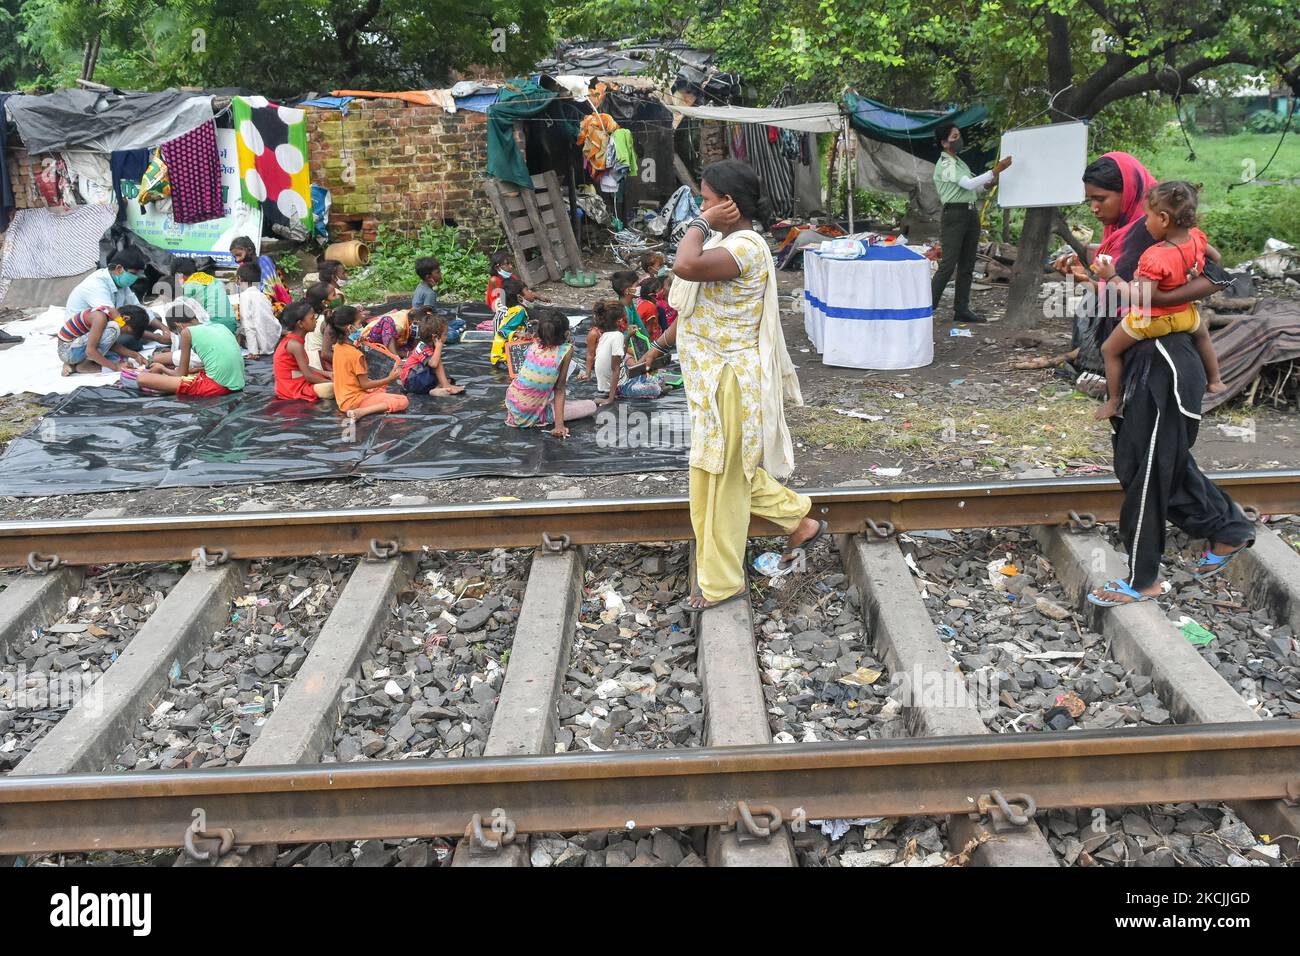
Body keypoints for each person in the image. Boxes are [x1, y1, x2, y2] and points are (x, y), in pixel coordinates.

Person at [1050, 152, 1254, 607]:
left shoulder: (1153, 227)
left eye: (1100, 198)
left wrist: (1168, 300)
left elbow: (1218, 270)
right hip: (1145, 356)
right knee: (1144, 461)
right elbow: (1122, 286)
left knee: (1149, 472)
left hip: (1163, 362)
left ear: (1134, 194)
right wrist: (1089, 275)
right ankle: (1229, 527)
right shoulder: (1129, 231)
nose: (1094, 207)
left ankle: (1143, 579)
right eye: (1088, 200)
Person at [645, 159, 823, 611]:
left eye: (706, 199)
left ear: (728, 203)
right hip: (711, 381)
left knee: (720, 481)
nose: (700, 206)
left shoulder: (744, 247)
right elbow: (695, 308)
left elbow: (685, 265)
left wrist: (701, 223)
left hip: (729, 381)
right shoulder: (726, 245)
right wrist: (658, 348)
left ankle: (723, 584)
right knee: (716, 473)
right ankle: (800, 519)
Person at [1093, 180, 1226, 421]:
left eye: (1148, 217)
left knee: (1109, 349)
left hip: (1153, 320)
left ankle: (1113, 401)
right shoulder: (1197, 238)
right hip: (1186, 315)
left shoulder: (1155, 257)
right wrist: (1194, 270)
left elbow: (1142, 298)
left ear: (1164, 219)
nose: (1145, 223)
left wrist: (1111, 276)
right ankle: (1215, 380)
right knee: (1202, 335)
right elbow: (1216, 257)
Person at [930, 123, 1012, 323]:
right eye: (954, 136)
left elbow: (972, 190)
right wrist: (995, 170)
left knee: (967, 265)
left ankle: (962, 309)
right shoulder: (946, 163)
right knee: (948, 264)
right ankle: (927, 307)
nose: (958, 139)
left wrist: (990, 182)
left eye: (958, 135)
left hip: (969, 212)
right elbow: (967, 184)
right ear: (944, 142)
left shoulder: (959, 162)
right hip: (955, 215)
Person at [505, 307, 596, 437]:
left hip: (514, 405)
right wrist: (559, 426)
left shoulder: (533, 345)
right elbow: (559, 389)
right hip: (531, 412)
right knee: (590, 406)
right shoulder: (566, 350)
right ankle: (544, 414)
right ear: (566, 334)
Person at [135, 302, 245, 397]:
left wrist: (162, 368)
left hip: (217, 387)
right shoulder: (220, 327)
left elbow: (180, 374)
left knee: (142, 378)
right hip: (237, 383)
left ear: (178, 326)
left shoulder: (186, 332)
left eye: (176, 332)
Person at [328, 305, 410, 420]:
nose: (362, 327)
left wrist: (362, 342)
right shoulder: (356, 355)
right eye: (359, 324)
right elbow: (365, 384)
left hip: (343, 398)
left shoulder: (338, 346)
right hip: (354, 401)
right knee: (402, 400)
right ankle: (362, 412)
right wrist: (389, 379)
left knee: (380, 389)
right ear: (350, 328)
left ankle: (369, 403)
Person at [588, 300, 666, 402]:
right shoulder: (617, 336)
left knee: (658, 378)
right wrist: (610, 399)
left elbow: (621, 356)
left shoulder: (606, 335)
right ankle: (658, 388)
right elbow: (615, 369)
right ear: (620, 322)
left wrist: (628, 336)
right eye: (625, 320)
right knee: (654, 388)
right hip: (619, 387)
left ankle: (655, 385)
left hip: (616, 381)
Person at [273, 302, 334, 402]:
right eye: (312, 318)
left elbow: (305, 367)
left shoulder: (295, 341)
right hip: (291, 388)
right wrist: (331, 381)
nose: (315, 321)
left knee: (334, 377)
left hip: (298, 380)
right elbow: (308, 376)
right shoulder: (295, 345)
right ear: (300, 324)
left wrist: (327, 374)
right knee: (332, 387)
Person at [400, 313, 464, 396]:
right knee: (436, 361)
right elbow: (433, 364)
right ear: (435, 337)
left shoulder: (431, 347)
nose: (446, 336)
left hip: (419, 379)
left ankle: (436, 389)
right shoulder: (422, 347)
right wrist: (439, 347)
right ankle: (444, 385)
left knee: (448, 378)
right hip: (412, 381)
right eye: (445, 334)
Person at [173, 257, 237, 336]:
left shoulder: (187, 287)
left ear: (179, 275)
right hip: (231, 327)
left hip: (214, 330)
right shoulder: (214, 280)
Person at [230, 236, 292, 308]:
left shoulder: (264, 262)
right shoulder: (242, 267)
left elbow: (269, 294)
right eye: (235, 257)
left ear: (249, 250)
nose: (237, 260)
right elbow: (241, 290)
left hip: (277, 304)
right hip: (257, 303)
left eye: (239, 255)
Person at [236, 262, 282, 358]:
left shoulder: (245, 296)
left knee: (237, 332)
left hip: (262, 346)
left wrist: (253, 352)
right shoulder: (262, 295)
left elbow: (248, 325)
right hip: (273, 340)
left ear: (239, 279)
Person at [490, 277, 530, 366]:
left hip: (498, 355)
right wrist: (519, 334)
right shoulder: (519, 310)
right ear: (519, 296)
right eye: (527, 291)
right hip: (504, 357)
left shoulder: (511, 309)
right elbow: (502, 330)